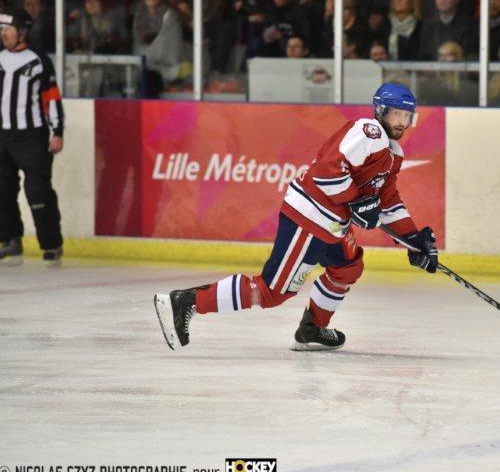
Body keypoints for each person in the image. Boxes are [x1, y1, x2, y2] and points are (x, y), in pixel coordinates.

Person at [154, 83, 438, 351]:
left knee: (348, 267)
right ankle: (187, 302)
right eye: (396, 114)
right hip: (311, 218)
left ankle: (312, 329)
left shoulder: (393, 153)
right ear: (379, 111)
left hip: (333, 225)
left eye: (406, 116)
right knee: (271, 292)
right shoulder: (368, 132)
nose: (401, 121)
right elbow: (327, 172)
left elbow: (387, 200)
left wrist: (414, 239)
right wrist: (357, 202)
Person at [0, 9, 65, 266]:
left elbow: (51, 97)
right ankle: (10, 241)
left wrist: (58, 131)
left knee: (37, 189)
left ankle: (52, 244)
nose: (3, 34)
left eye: (8, 29)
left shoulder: (39, 60)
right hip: (2, 135)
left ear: (22, 32)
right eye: (1, 30)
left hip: (32, 135)